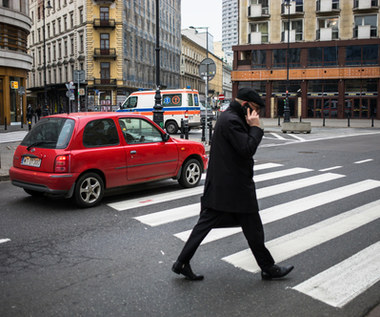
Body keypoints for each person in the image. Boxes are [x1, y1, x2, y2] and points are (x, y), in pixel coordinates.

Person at [172, 88, 294, 281]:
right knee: (249, 226)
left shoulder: (230, 117)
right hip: (233, 187)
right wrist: (256, 128)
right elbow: (247, 149)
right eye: (255, 110)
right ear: (245, 106)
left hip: (226, 185)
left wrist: (250, 125)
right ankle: (268, 267)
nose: (257, 115)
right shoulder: (232, 121)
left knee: (242, 226)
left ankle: (182, 262)